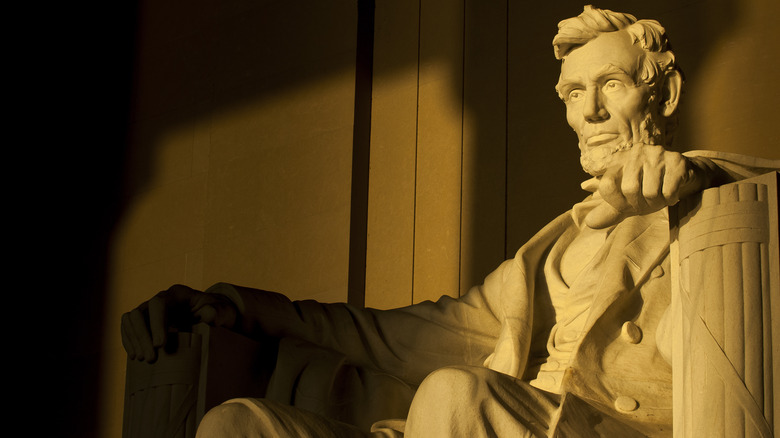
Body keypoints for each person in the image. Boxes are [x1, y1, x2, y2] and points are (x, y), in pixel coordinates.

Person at [122, 6, 779, 437]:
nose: (590, 112)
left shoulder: (718, 194)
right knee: (237, 426)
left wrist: (696, 188)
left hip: (600, 428)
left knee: (454, 398)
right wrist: (240, 308)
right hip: (490, 421)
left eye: (611, 85)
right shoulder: (553, 249)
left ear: (662, 94)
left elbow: (761, 208)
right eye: (575, 93)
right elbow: (391, 336)